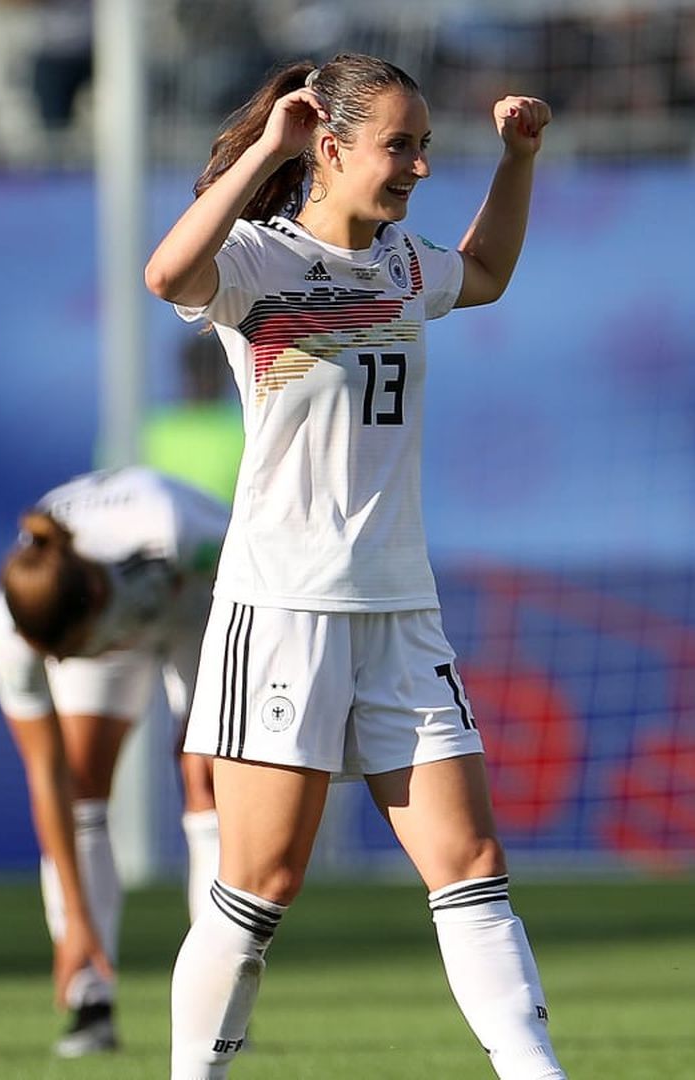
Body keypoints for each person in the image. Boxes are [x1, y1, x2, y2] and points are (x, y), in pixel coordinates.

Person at [143, 55, 563, 1079]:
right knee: (259, 886)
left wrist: (518, 159)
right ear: (328, 149)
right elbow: (165, 277)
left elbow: (491, 273)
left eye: (424, 144)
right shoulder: (255, 262)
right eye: (398, 145)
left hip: (400, 611)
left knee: (471, 867)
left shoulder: (409, 265)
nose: (419, 164)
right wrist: (262, 152)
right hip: (282, 608)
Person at [0, 466, 228, 1057]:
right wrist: (78, 927)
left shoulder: (177, 530)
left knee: (207, 774)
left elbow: (270, 571)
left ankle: (222, 994)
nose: (64, 668)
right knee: (82, 785)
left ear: (95, 602)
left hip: (208, 596)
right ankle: (90, 999)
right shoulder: (10, 625)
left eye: (72, 653)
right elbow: (48, 778)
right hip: (129, 612)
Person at [144, 332, 246, 505]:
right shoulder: (246, 427)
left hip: (223, 529)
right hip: (219, 528)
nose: (205, 380)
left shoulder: (153, 428)